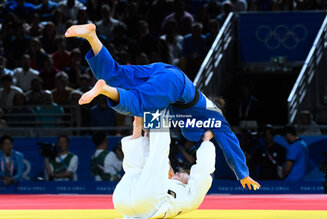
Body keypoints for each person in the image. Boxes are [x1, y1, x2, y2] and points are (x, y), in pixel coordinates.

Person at [65, 24, 260, 189]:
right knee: (139, 103)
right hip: (173, 82)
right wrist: (242, 173)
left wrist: (166, 166)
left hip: (160, 70)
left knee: (116, 75)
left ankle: (92, 37)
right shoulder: (213, 115)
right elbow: (229, 142)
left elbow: (154, 131)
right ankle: (105, 90)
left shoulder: (177, 113)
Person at [113, 116, 227, 219]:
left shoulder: (192, 195)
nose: (179, 173)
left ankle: (157, 110)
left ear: (190, 181)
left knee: (159, 155)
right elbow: (150, 165)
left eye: (183, 174)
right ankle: (138, 123)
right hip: (122, 203)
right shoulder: (166, 183)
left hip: (149, 204)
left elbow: (203, 170)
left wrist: (206, 141)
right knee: (136, 169)